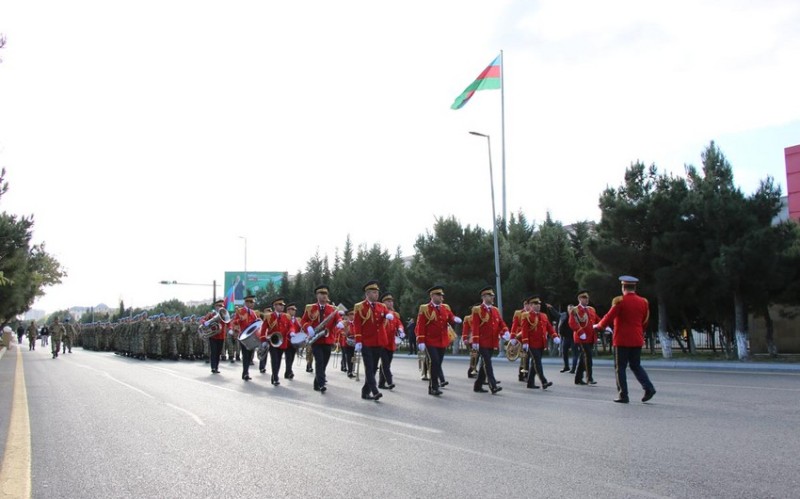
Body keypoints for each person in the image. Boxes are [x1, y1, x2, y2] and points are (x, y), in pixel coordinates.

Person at [595, 275, 656, 403]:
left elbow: (608, 317)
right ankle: (648, 387)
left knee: (620, 367)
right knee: (636, 365)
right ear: (634, 287)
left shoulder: (620, 301)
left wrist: (599, 326)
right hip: (637, 339)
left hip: (622, 339)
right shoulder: (643, 302)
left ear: (623, 287)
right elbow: (645, 321)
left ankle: (623, 395)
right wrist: (639, 331)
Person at [416, 285, 462, 396]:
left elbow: (450, 316)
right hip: (430, 340)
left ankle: (433, 386)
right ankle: (434, 387)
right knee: (434, 362)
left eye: (442, 295)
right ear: (432, 296)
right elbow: (420, 325)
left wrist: (454, 318)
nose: (441, 298)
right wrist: (421, 340)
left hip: (442, 340)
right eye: (439, 295)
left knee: (437, 364)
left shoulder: (445, 308)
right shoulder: (425, 308)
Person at [351, 281, 393, 400]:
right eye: (374, 292)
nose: (376, 295)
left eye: (377, 292)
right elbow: (357, 324)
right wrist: (358, 340)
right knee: (369, 367)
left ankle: (365, 391)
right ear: (367, 293)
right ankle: (374, 391)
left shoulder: (382, 306)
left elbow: (385, 313)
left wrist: (387, 315)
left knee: (374, 368)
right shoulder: (360, 306)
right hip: (366, 342)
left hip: (379, 342)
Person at [301, 285, 344, 393]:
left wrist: (340, 323)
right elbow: (303, 321)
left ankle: (317, 382)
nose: (324, 296)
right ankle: (321, 384)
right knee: (319, 361)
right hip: (316, 340)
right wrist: (308, 327)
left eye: (326, 294)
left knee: (324, 362)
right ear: (317, 295)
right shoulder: (310, 308)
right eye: (322, 294)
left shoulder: (333, 309)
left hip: (328, 339)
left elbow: (338, 318)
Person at [470, 287, 508, 395]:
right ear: (484, 297)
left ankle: (477, 386)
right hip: (481, 342)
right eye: (490, 296)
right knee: (488, 363)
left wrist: (505, 331)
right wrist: (476, 341)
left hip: (492, 341)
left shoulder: (495, 310)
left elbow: (500, 323)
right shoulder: (477, 310)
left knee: (484, 364)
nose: (492, 297)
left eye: (493, 296)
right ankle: (493, 385)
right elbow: (475, 326)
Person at [520, 296, 559, 390]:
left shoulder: (543, 316)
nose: (538, 306)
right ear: (531, 305)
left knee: (535, 363)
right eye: (535, 304)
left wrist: (554, 336)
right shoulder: (526, 315)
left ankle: (530, 383)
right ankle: (544, 381)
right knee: (537, 362)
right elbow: (524, 329)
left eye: (539, 304)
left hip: (541, 343)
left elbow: (549, 327)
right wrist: (525, 342)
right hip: (532, 343)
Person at [569, 290, 599, 385]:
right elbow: (572, 323)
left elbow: (597, 319)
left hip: (590, 337)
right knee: (588, 357)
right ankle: (589, 378)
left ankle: (578, 378)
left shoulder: (591, 309)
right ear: (579, 299)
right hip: (581, 337)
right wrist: (580, 332)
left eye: (587, 298)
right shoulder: (575, 310)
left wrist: (604, 325)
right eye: (584, 298)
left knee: (583, 358)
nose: (586, 300)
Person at [259, 297, 291, 386]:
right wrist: (263, 340)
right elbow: (263, 329)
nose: (282, 307)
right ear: (275, 306)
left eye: (283, 305)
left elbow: (290, 326)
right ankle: (276, 377)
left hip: (282, 342)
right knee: (274, 359)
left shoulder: (287, 316)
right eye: (280, 305)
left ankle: (274, 375)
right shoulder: (269, 316)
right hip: (272, 341)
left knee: (279, 359)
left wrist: (291, 333)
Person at [378, 291, 404, 390]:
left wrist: (401, 329)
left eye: (391, 301)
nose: (390, 303)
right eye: (388, 301)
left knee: (387, 363)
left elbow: (399, 323)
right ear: (383, 303)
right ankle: (389, 381)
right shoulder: (380, 312)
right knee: (385, 363)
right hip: (382, 342)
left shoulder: (394, 314)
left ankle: (381, 383)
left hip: (391, 343)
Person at [231, 295, 260, 381]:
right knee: (245, 355)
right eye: (251, 302)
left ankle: (246, 372)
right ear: (247, 302)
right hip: (243, 336)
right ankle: (245, 373)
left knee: (250, 355)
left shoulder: (253, 313)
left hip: (252, 336)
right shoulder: (240, 311)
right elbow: (234, 322)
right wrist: (240, 319)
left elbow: (256, 323)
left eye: (253, 303)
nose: (253, 304)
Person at [200, 300, 228, 374]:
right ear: (215, 306)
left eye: (221, 306)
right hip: (213, 336)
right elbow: (202, 320)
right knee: (214, 352)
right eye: (219, 305)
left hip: (221, 336)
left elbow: (228, 323)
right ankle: (213, 367)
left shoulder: (225, 315)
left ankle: (216, 367)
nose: (220, 307)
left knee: (218, 353)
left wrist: (231, 329)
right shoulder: (211, 314)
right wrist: (205, 322)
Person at [284, 303, 300, 379]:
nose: (294, 311)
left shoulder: (296, 320)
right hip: (287, 341)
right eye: (293, 309)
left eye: (295, 310)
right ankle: (289, 372)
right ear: (288, 310)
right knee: (288, 357)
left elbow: (299, 329)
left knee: (292, 357)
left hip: (294, 343)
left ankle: (288, 372)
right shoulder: (284, 318)